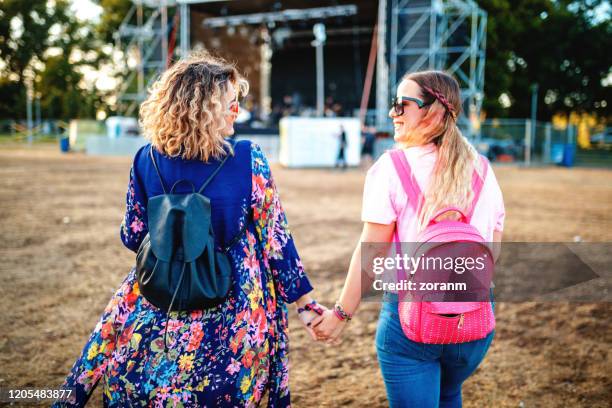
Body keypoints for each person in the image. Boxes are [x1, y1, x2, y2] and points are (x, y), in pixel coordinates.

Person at [54, 52, 324, 407]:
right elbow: (276, 240)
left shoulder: (146, 158)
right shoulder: (247, 158)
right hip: (233, 314)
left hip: (161, 302)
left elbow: (132, 235)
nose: (236, 112)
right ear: (204, 108)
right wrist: (306, 305)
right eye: (230, 104)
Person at [313, 70, 505, 407]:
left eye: (402, 105)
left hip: (411, 319)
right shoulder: (483, 169)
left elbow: (372, 252)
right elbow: (494, 246)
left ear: (433, 110)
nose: (392, 113)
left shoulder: (392, 167)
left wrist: (340, 315)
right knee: (449, 393)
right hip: (473, 319)